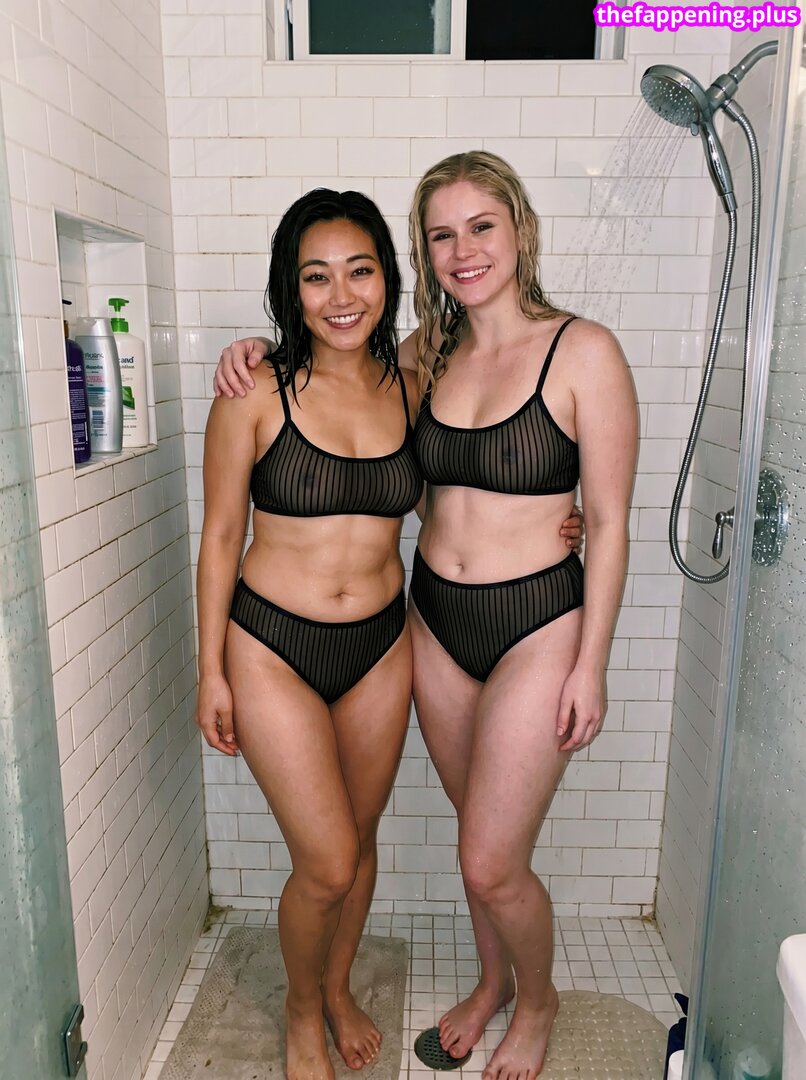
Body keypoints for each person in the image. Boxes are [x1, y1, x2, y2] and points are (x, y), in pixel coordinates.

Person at [212, 153, 629, 1080]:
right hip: (432, 624)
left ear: (519, 228)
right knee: (466, 831)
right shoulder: (427, 355)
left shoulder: (581, 351)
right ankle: (484, 983)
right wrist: (250, 350)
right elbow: (331, 361)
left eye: (481, 226)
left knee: (486, 857)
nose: (463, 249)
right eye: (442, 234)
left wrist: (591, 662)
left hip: (527, 624)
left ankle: (537, 1001)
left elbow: (607, 519)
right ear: (425, 252)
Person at [196, 189, 423, 1080]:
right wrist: (210, 671)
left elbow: (475, 470)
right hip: (272, 648)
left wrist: (562, 522)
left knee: (358, 845)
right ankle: (299, 1010)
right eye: (316, 276)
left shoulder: (411, 382)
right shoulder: (254, 391)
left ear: (386, 278)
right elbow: (221, 536)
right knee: (325, 863)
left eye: (359, 271)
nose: (341, 295)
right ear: (290, 290)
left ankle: (335, 987)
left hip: (380, 648)